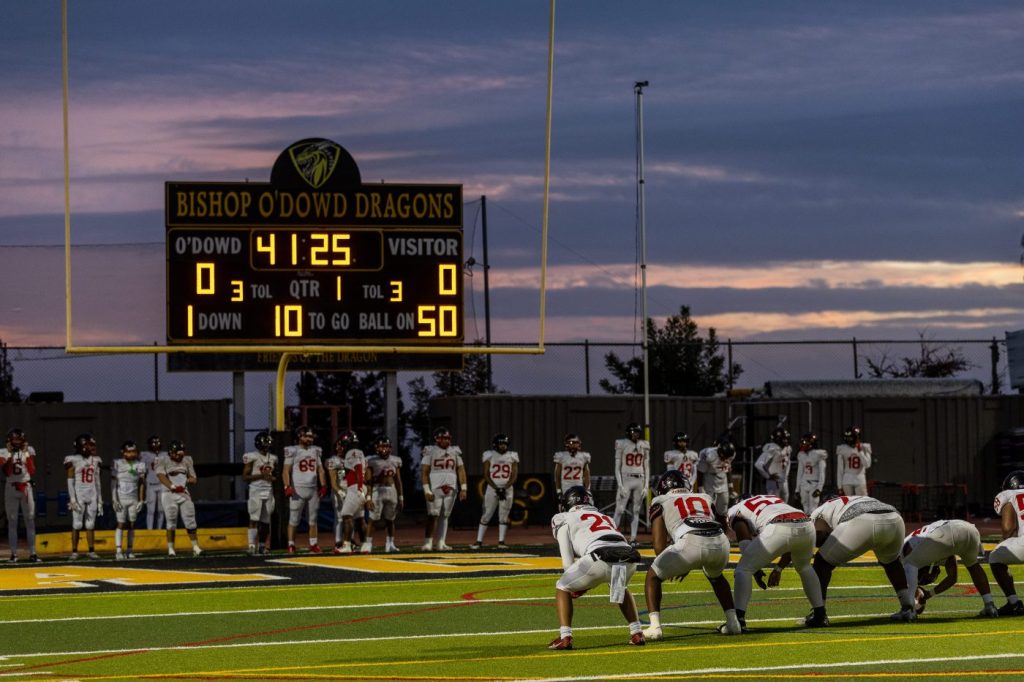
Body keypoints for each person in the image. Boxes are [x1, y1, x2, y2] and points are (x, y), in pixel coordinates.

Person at [643, 470, 742, 640]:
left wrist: (679, 564)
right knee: (716, 576)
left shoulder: (660, 501)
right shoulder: (704, 497)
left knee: (653, 576)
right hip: (721, 542)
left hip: (690, 542)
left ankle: (654, 627)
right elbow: (719, 522)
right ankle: (733, 623)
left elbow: (659, 546)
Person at [548, 486, 645, 650]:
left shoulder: (562, 517)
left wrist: (578, 587)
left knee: (562, 586)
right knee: (619, 589)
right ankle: (637, 633)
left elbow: (567, 561)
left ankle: (565, 637)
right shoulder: (605, 517)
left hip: (599, 557)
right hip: (628, 556)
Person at [727, 493, 828, 630]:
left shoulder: (737, 509)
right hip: (805, 521)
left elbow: (744, 540)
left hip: (778, 525)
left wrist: (755, 569)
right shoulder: (772, 498)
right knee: (804, 567)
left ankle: (739, 620)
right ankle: (820, 615)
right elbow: (791, 540)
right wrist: (779, 568)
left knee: (743, 569)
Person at [809, 493, 916, 621]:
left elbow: (816, 535)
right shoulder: (858, 498)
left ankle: (819, 614)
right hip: (894, 518)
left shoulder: (821, 508)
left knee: (822, 563)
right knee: (892, 563)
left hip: (861, 520)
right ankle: (908, 608)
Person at [903, 519, 997, 618]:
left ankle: (909, 609)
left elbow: (908, 563)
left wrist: (913, 591)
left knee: (911, 563)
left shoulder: (906, 553)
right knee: (973, 565)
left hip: (944, 533)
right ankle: (989, 605)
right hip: (970, 529)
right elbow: (952, 578)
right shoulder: (927, 550)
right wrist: (929, 594)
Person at [421, 426, 466, 551]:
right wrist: (426, 489)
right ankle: (428, 542)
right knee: (433, 514)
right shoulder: (430, 451)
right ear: (437, 439)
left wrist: (464, 488)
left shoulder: (455, 451)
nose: (447, 440)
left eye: (448, 438)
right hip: (435, 485)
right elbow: (424, 471)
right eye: (444, 438)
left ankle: (441, 542)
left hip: (451, 485)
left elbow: (461, 470)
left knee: (445, 515)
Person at [283, 425, 327, 554]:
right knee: (294, 519)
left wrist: (324, 485)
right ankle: (291, 544)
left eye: (310, 436)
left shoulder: (315, 450)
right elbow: (286, 471)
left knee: (313, 519)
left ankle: (313, 544)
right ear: (299, 436)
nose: (309, 438)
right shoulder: (293, 450)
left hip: (313, 489)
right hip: (298, 490)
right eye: (306, 436)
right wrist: (287, 486)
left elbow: (321, 470)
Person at [471, 433, 519, 550]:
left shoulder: (512, 456)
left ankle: (501, 542)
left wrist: (505, 487)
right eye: (500, 444)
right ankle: (478, 541)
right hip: (492, 488)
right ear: (495, 445)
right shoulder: (489, 455)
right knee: (486, 514)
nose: (503, 446)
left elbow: (514, 474)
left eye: (504, 444)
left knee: (503, 516)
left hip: (507, 488)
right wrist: (497, 488)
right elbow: (486, 474)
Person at [1, 428, 41, 562]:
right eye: (15, 439)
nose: (17, 442)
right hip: (11, 487)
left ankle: (33, 553)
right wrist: (10, 455)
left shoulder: (29, 450)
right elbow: (6, 472)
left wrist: (26, 454)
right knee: (12, 521)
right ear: (9, 440)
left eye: (19, 439)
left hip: (26, 486)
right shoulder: (4, 452)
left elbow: (32, 470)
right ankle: (13, 554)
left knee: (30, 520)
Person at [157, 440, 202, 557]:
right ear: (170, 453)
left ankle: (195, 546)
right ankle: (171, 548)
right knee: (171, 520)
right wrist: (172, 486)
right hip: (169, 493)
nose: (179, 456)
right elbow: (161, 476)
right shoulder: (162, 460)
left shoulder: (187, 460)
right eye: (177, 454)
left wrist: (187, 481)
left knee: (190, 519)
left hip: (183, 492)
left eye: (181, 454)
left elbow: (194, 478)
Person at [989, 470, 1024, 616]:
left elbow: (1008, 528)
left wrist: (1009, 538)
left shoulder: (1009, 495)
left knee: (995, 557)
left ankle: (1013, 602)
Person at [64, 433, 103, 560]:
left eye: (92, 445)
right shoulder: (73, 459)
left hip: (92, 494)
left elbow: (97, 481)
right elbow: (70, 481)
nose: (92, 447)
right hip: (79, 494)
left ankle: (91, 550)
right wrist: (73, 499)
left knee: (91, 524)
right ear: (81, 446)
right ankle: (74, 551)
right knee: (77, 524)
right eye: (88, 444)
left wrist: (100, 500)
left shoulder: (96, 460)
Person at [365, 435, 403, 553]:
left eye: (386, 446)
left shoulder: (395, 460)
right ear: (377, 447)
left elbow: (398, 480)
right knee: (373, 519)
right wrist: (369, 498)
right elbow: (368, 481)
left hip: (391, 490)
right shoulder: (371, 461)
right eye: (382, 446)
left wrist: (401, 497)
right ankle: (368, 544)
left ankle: (390, 543)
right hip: (377, 490)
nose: (384, 449)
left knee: (390, 520)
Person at [612, 423, 650, 544]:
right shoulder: (622, 443)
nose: (636, 435)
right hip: (626, 478)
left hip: (640, 479)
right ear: (628, 433)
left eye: (637, 432)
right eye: (634, 432)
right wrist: (620, 484)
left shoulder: (644, 445)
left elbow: (646, 466)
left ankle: (633, 538)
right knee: (619, 510)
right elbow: (617, 466)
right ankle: (612, 535)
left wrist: (646, 485)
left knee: (636, 510)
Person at [241, 431, 277, 555]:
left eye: (268, 443)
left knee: (266, 521)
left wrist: (272, 478)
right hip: (255, 489)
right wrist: (262, 475)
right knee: (254, 518)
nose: (267, 446)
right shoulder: (251, 457)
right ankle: (251, 545)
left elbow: (275, 476)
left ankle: (262, 546)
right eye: (265, 443)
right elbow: (245, 477)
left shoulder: (273, 458)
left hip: (268, 490)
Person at [335, 431, 371, 554]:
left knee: (346, 515)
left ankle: (347, 545)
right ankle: (365, 545)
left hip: (356, 487)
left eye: (342, 444)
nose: (341, 447)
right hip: (360, 486)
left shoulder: (351, 452)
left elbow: (358, 468)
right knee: (360, 518)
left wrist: (360, 488)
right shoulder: (360, 453)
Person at [110, 440, 146, 560]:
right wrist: (114, 499)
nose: (132, 454)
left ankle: (130, 550)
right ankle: (119, 550)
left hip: (133, 498)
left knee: (131, 524)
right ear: (123, 452)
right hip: (121, 498)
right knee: (120, 523)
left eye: (134, 451)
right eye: (129, 451)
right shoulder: (117, 463)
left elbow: (141, 483)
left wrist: (141, 500)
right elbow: (113, 483)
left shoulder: (140, 464)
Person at [696, 438, 736, 525]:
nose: (725, 459)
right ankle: (709, 525)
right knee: (708, 506)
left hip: (722, 479)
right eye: (724, 456)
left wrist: (731, 486)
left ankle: (724, 527)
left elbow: (728, 470)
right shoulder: (709, 455)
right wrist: (700, 487)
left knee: (724, 505)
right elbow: (700, 472)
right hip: (709, 479)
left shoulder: (730, 455)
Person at [754, 427, 792, 501]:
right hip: (774, 481)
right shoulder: (772, 449)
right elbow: (758, 464)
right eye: (784, 439)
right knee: (773, 504)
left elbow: (788, 461)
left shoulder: (787, 448)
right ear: (777, 439)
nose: (786, 441)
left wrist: (786, 474)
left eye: (786, 438)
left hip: (784, 480)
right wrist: (768, 476)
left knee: (785, 505)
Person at [795, 432, 828, 514]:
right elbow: (800, 473)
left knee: (813, 508)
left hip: (814, 484)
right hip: (804, 483)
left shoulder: (819, 455)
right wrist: (797, 489)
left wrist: (819, 488)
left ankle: (812, 526)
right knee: (805, 507)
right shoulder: (802, 455)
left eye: (805, 442)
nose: (803, 444)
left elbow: (822, 474)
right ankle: (806, 526)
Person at [325, 441, 348, 554]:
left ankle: (349, 541)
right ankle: (338, 541)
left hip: (350, 490)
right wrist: (339, 491)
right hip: (338, 491)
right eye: (337, 446)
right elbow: (333, 481)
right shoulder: (333, 460)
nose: (339, 448)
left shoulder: (352, 458)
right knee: (339, 517)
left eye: (342, 446)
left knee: (350, 518)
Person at [835, 426, 872, 496]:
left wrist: (860, 451)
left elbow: (867, 465)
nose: (848, 439)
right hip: (847, 478)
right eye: (847, 437)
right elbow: (840, 469)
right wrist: (839, 486)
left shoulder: (864, 447)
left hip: (859, 478)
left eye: (850, 437)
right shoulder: (842, 448)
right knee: (848, 504)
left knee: (862, 503)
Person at [140, 435, 166, 530]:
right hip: (150, 484)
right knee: (150, 510)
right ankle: (150, 531)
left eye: (158, 442)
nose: (156, 444)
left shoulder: (165, 455)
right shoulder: (144, 455)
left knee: (161, 510)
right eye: (154, 442)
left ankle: (159, 530)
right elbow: (141, 471)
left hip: (162, 484)